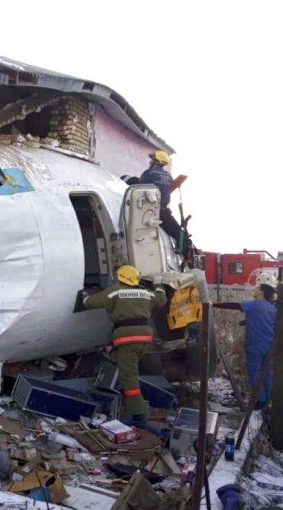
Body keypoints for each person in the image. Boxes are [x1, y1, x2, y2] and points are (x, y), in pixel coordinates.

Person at [79, 265, 166, 427]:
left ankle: (139, 417)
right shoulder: (146, 293)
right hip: (145, 338)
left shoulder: (114, 292)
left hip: (127, 339)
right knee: (126, 369)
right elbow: (161, 299)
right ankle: (130, 406)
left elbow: (89, 303)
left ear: (120, 278)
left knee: (129, 378)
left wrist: (83, 294)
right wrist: (158, 284)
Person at [213, 272, 277, 410]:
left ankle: (260, 400)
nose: (254, 290)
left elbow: (235, 305)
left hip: (255, 345)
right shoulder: (272, 308)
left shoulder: (255, 304)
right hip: (269, 345)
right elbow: (266, 322)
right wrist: (246, 321)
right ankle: (268, 399)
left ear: (261, 291)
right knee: (266, 372)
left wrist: (213, 304)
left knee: (253, 371)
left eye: (256, 288)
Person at [139, 150, 189, 248]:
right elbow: (168, 195)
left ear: (157, 161)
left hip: (147, 210)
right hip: (163, 211)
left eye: (152, 159)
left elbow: (139, 189)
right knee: (178, 233)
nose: (150, 161)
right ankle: (182, 247)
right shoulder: (169, 176)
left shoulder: (149, 173)